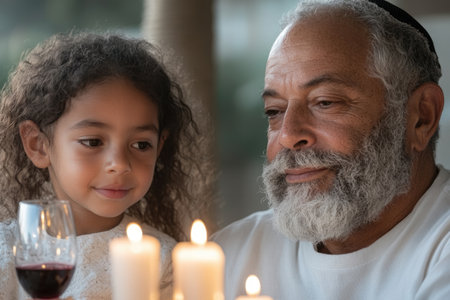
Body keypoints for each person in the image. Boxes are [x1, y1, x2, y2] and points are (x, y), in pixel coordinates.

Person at [211, 0, 449, 299]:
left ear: (421, 118)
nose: (287, 136)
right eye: (274, 111)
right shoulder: (223, 258)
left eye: (325, 102)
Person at [0, 32, 202, 299]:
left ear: (159, 147)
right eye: (93, 141)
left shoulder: (166, 264)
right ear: (38, 145)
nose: (119, 164)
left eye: (141, 145)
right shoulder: (6, 250)